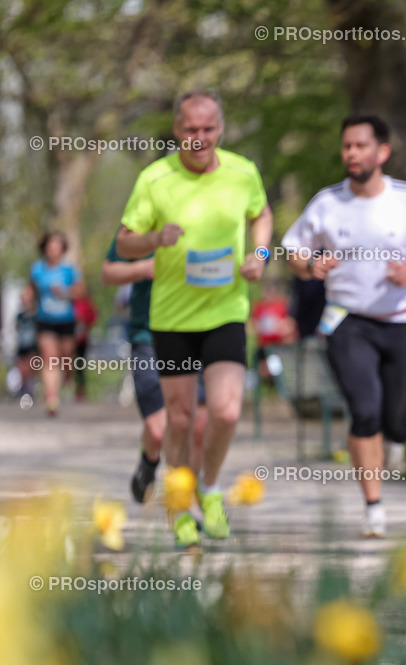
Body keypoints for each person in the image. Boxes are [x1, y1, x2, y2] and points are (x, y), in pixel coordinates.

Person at [116, 89, 272, 548]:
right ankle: (179, 506)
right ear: (176, 130)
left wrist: (260, 256)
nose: (198, 138)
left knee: (225, 410)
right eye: (189, 130)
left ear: (220, 130)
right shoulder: (155, 179)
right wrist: (155, 239)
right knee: (180, 421)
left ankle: (208, 487)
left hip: (225, 311)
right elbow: (125, 242)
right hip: (172, 320)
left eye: (207, 129)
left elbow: (261, 215)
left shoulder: (243, 172)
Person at [283, 114, 406, 538]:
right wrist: (312, 264)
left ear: (382, 152)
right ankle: (373, 506)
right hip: (347, 320)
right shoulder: (326, 203)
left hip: (400, 320)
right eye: (346, 147)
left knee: (397, 420)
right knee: (365, 409)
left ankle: (395, 443)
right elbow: (292, 252)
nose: (351, 154)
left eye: (360, 146)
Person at [102, 234, 208, 505]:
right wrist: (144, 269)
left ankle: (185, 499)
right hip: (147, 335)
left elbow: (255, 256)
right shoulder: (141, 222)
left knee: (195, 424)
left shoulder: (205, 214)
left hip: (192, 332)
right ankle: (149, 462)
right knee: (160, 429)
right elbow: (108, 272)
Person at [29, 231, 85, 416]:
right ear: (45, 249)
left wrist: (64, 292)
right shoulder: (38, 269)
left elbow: (80, 292)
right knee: (50, 357)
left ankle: (67, 373)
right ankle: (51, 398)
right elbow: (31, 289)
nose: (53, 251)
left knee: (66, 356)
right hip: (45, 320)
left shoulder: (71, 269)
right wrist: (27, 297)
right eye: (50, 247)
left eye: (57, 247)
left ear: (63, 249)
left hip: (66, 320)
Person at [250, 278, 298, 380]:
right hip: (263, 346)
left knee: (275, 367)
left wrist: (279, 328)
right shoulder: (258, 306)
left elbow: (290, 324)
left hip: (278, 345)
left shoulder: (282, 304)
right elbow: (253, 325)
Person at [72, 289, 98, 402]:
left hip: (82, 340)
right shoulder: (70, 303)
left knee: (80, 366)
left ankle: (80, 390)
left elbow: (92, 317)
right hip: (69, 339)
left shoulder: (86, 303)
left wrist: (87, 327)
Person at [14, 287, 39, 399]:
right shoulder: (20, 316)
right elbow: (17, 329)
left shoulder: (36, 316)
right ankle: (23, 392)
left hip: (32, 347)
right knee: (21, 370)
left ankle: (30, 393)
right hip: (22, 346)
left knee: (31, 370)